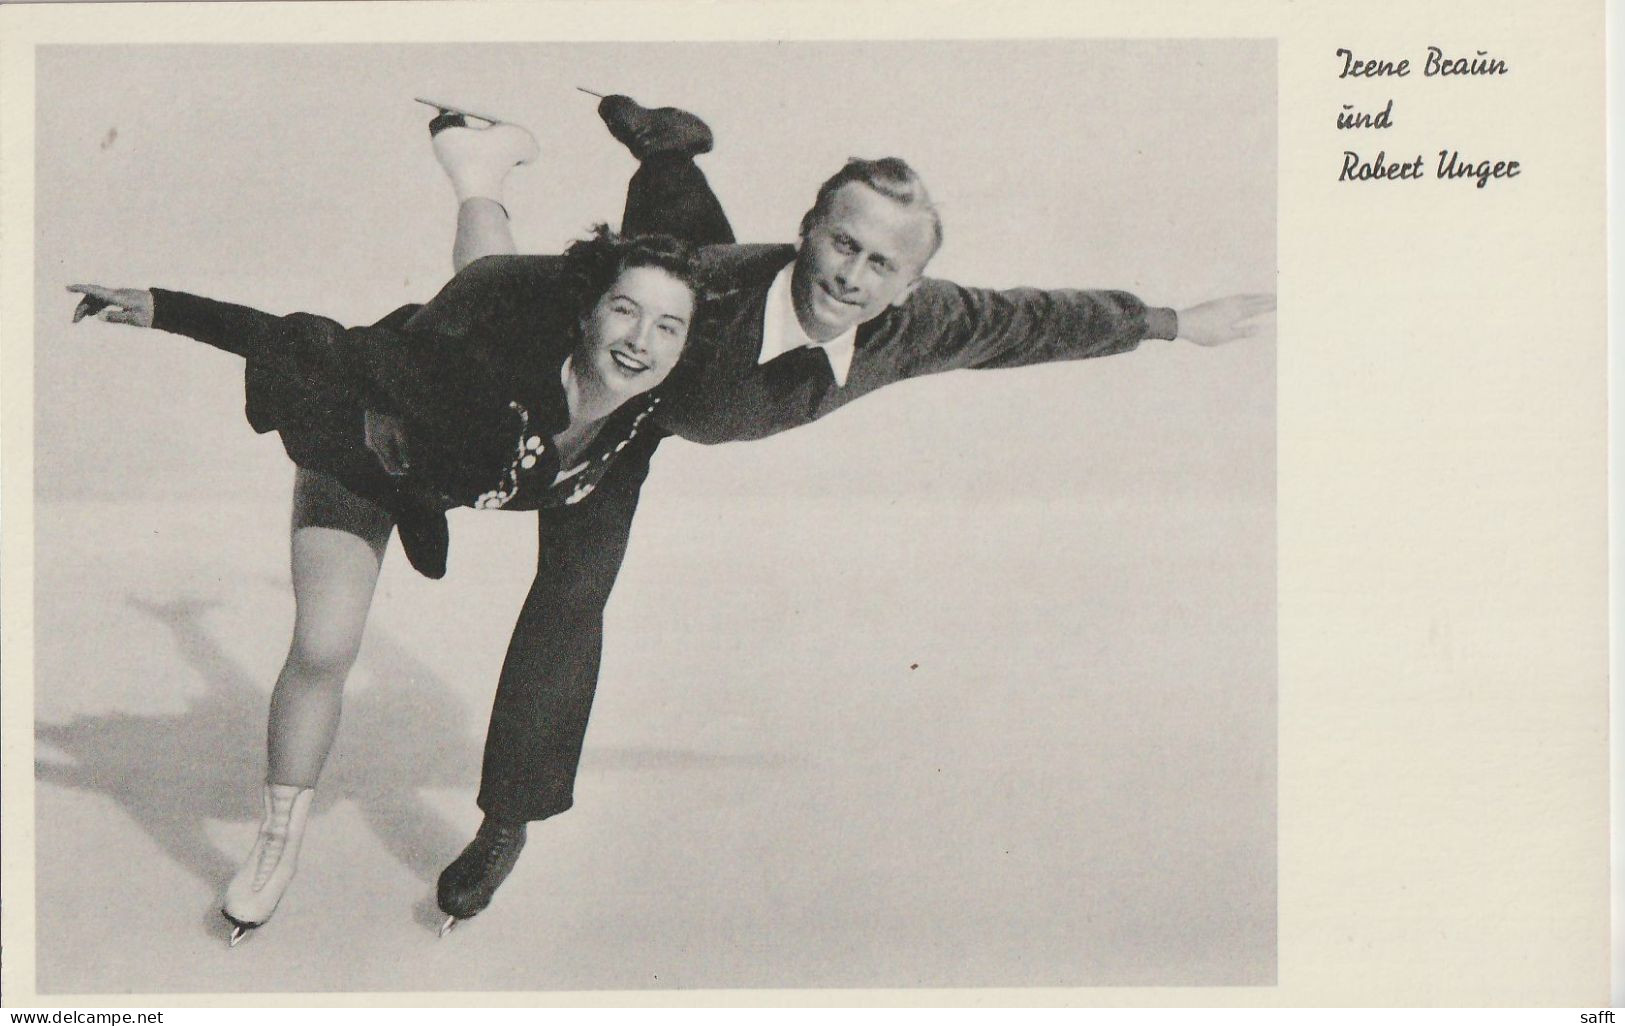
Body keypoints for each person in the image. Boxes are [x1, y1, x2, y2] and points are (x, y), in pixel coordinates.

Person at [409, 95, 1276, 929]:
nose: (849, 277)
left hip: (700, 326)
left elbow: (1032, 321)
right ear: (807, 233)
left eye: (880, 265)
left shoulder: (915, 324)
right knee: (571, 598)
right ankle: (506, 826)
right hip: (617, 409)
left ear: (910, 285)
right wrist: (415, 369)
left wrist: (1169, 323)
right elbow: (499, 284)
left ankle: (667, 147)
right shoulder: (697, 292)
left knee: (684, 245)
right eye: (840, 243)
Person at [67, 223, 707, 945]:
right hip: (363, 446)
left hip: (442, 444)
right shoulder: (479, 387)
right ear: (586, 311)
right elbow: (311, 346)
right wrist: (162, 307)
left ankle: (477, 161)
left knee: (488, 273)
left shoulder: (658, 406)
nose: (641, 341)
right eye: (625, 310)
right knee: (324, 645)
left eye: (667, 325)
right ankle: (276, 842)